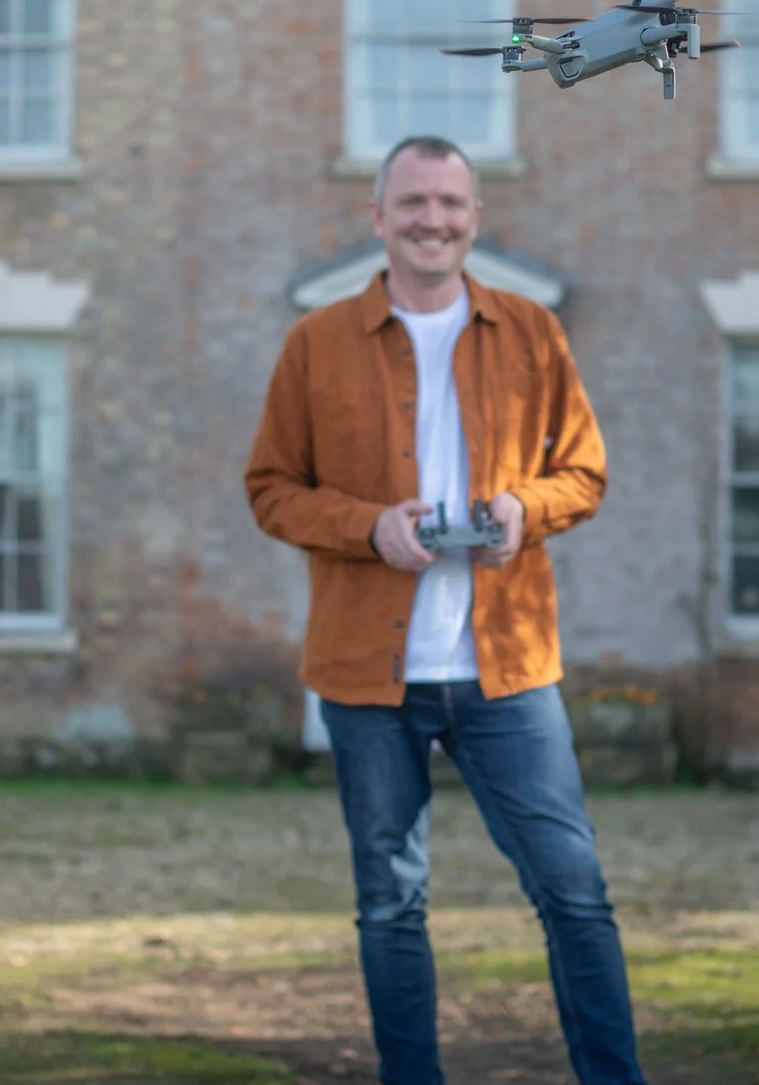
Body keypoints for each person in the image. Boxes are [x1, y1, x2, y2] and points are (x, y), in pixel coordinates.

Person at [244, 133, 643, 1085]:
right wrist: (368, 526)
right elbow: (271, 489)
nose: (434, 220)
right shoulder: (315, 344)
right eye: (413, 203)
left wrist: (522, 509)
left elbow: (582, 472)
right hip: (366, 676)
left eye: (451, 204)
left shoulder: (534, 333)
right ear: (378, 217)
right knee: (390, 903)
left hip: (507, 669)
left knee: (575, 895)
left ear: (476, 218)